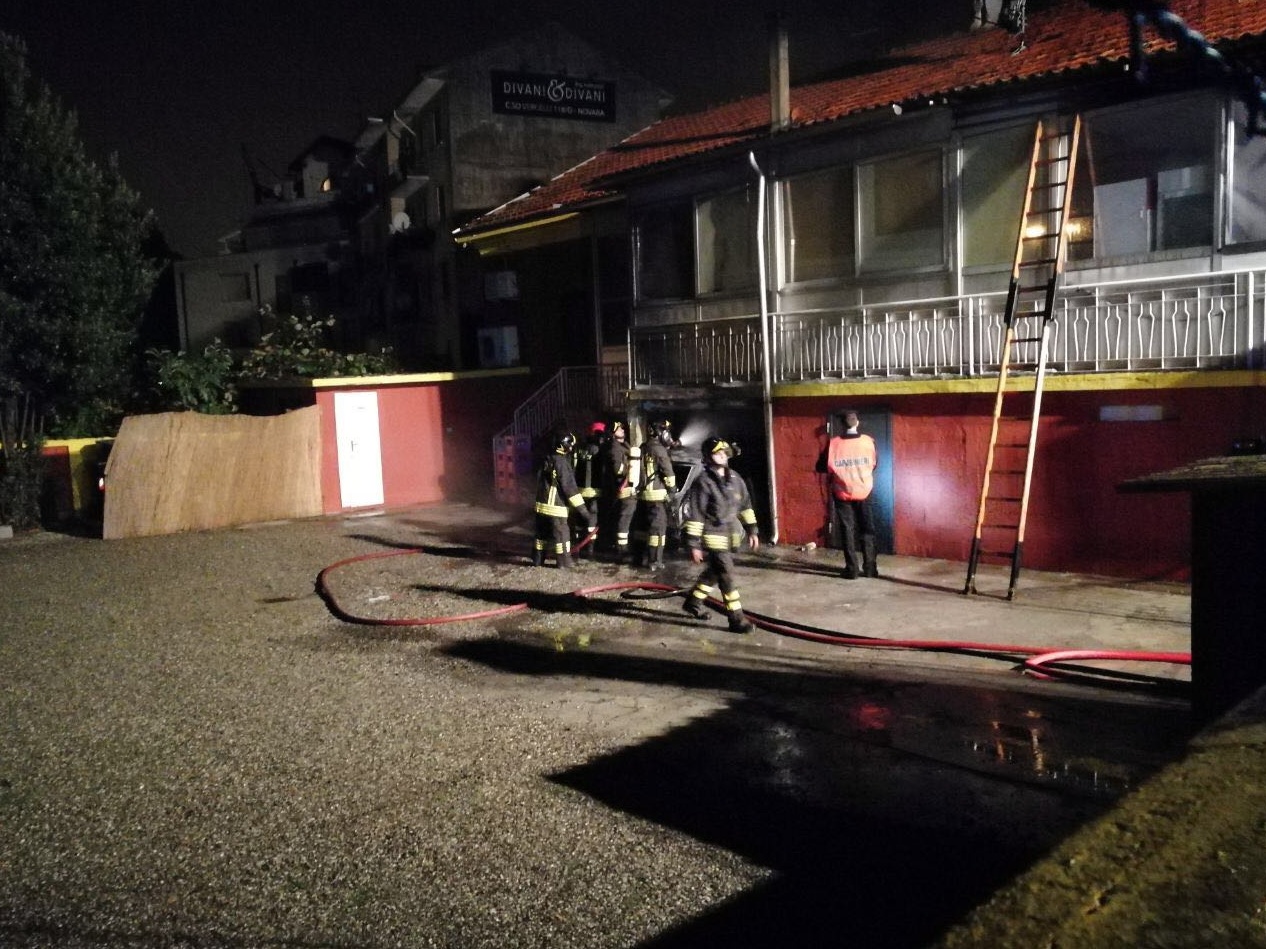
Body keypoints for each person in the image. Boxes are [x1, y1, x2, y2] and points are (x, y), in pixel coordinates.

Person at [681, 436, 760, 633]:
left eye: (724, 452)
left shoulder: (735, 479)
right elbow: (696, 514)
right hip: (712, 534)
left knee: (715, 572)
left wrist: (752, 530)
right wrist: (694, 545)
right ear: (708, 457)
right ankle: (736, 620)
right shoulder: (703, 482)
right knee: (726, 575)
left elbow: (745, 506)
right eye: (717, 452)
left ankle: (693, 601)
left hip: (730, 534)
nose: (722, 455)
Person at [815, 409, 879, 579]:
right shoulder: (868, 442)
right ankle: (870, 568)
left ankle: (852, 570)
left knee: (847, 530)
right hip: (864, 492)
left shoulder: (834, 444)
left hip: (842, 493)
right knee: (867, 529)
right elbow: (874, 464)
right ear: (857, 423)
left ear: (842, 425)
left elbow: (821, 467)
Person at [532, 430, 594, 568]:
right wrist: (584, 512)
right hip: (556, 508)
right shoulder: (562, 463)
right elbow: (570, 489)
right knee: (562, 536)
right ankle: (564, 562)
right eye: (570, 445)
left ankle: (537, 560)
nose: (571, 448)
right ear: (564, 445)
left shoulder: (547, 458)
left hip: (541, 506)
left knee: (541, 536)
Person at [635, 418, 677, 571]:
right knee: (658, 530)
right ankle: (655, 561)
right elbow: (668, 473)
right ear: (660, 433)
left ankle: (642, 557)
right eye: (666, 431)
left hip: (644, 494)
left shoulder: (644, 447)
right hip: (657, 495)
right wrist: (672, 491)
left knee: (645, 528)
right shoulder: (659, 450)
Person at [600, 419, 639, 563]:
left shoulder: (623, 446)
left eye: (622, 428)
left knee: (628, 520)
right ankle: (622, 550)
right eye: (618, 429)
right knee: (624, 519)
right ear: (612, 433)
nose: (622, 430)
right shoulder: (614, 449)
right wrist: (631, 467)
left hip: (630, 489)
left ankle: (626, 546)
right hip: (623, 490)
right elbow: (618, 470)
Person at [572, 421, 607, 558]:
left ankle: (579, 547)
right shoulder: (599, 449)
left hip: (579, 491)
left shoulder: (580, 448)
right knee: (592, 522)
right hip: (594, 492)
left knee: (580, 521)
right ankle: (590, 550)